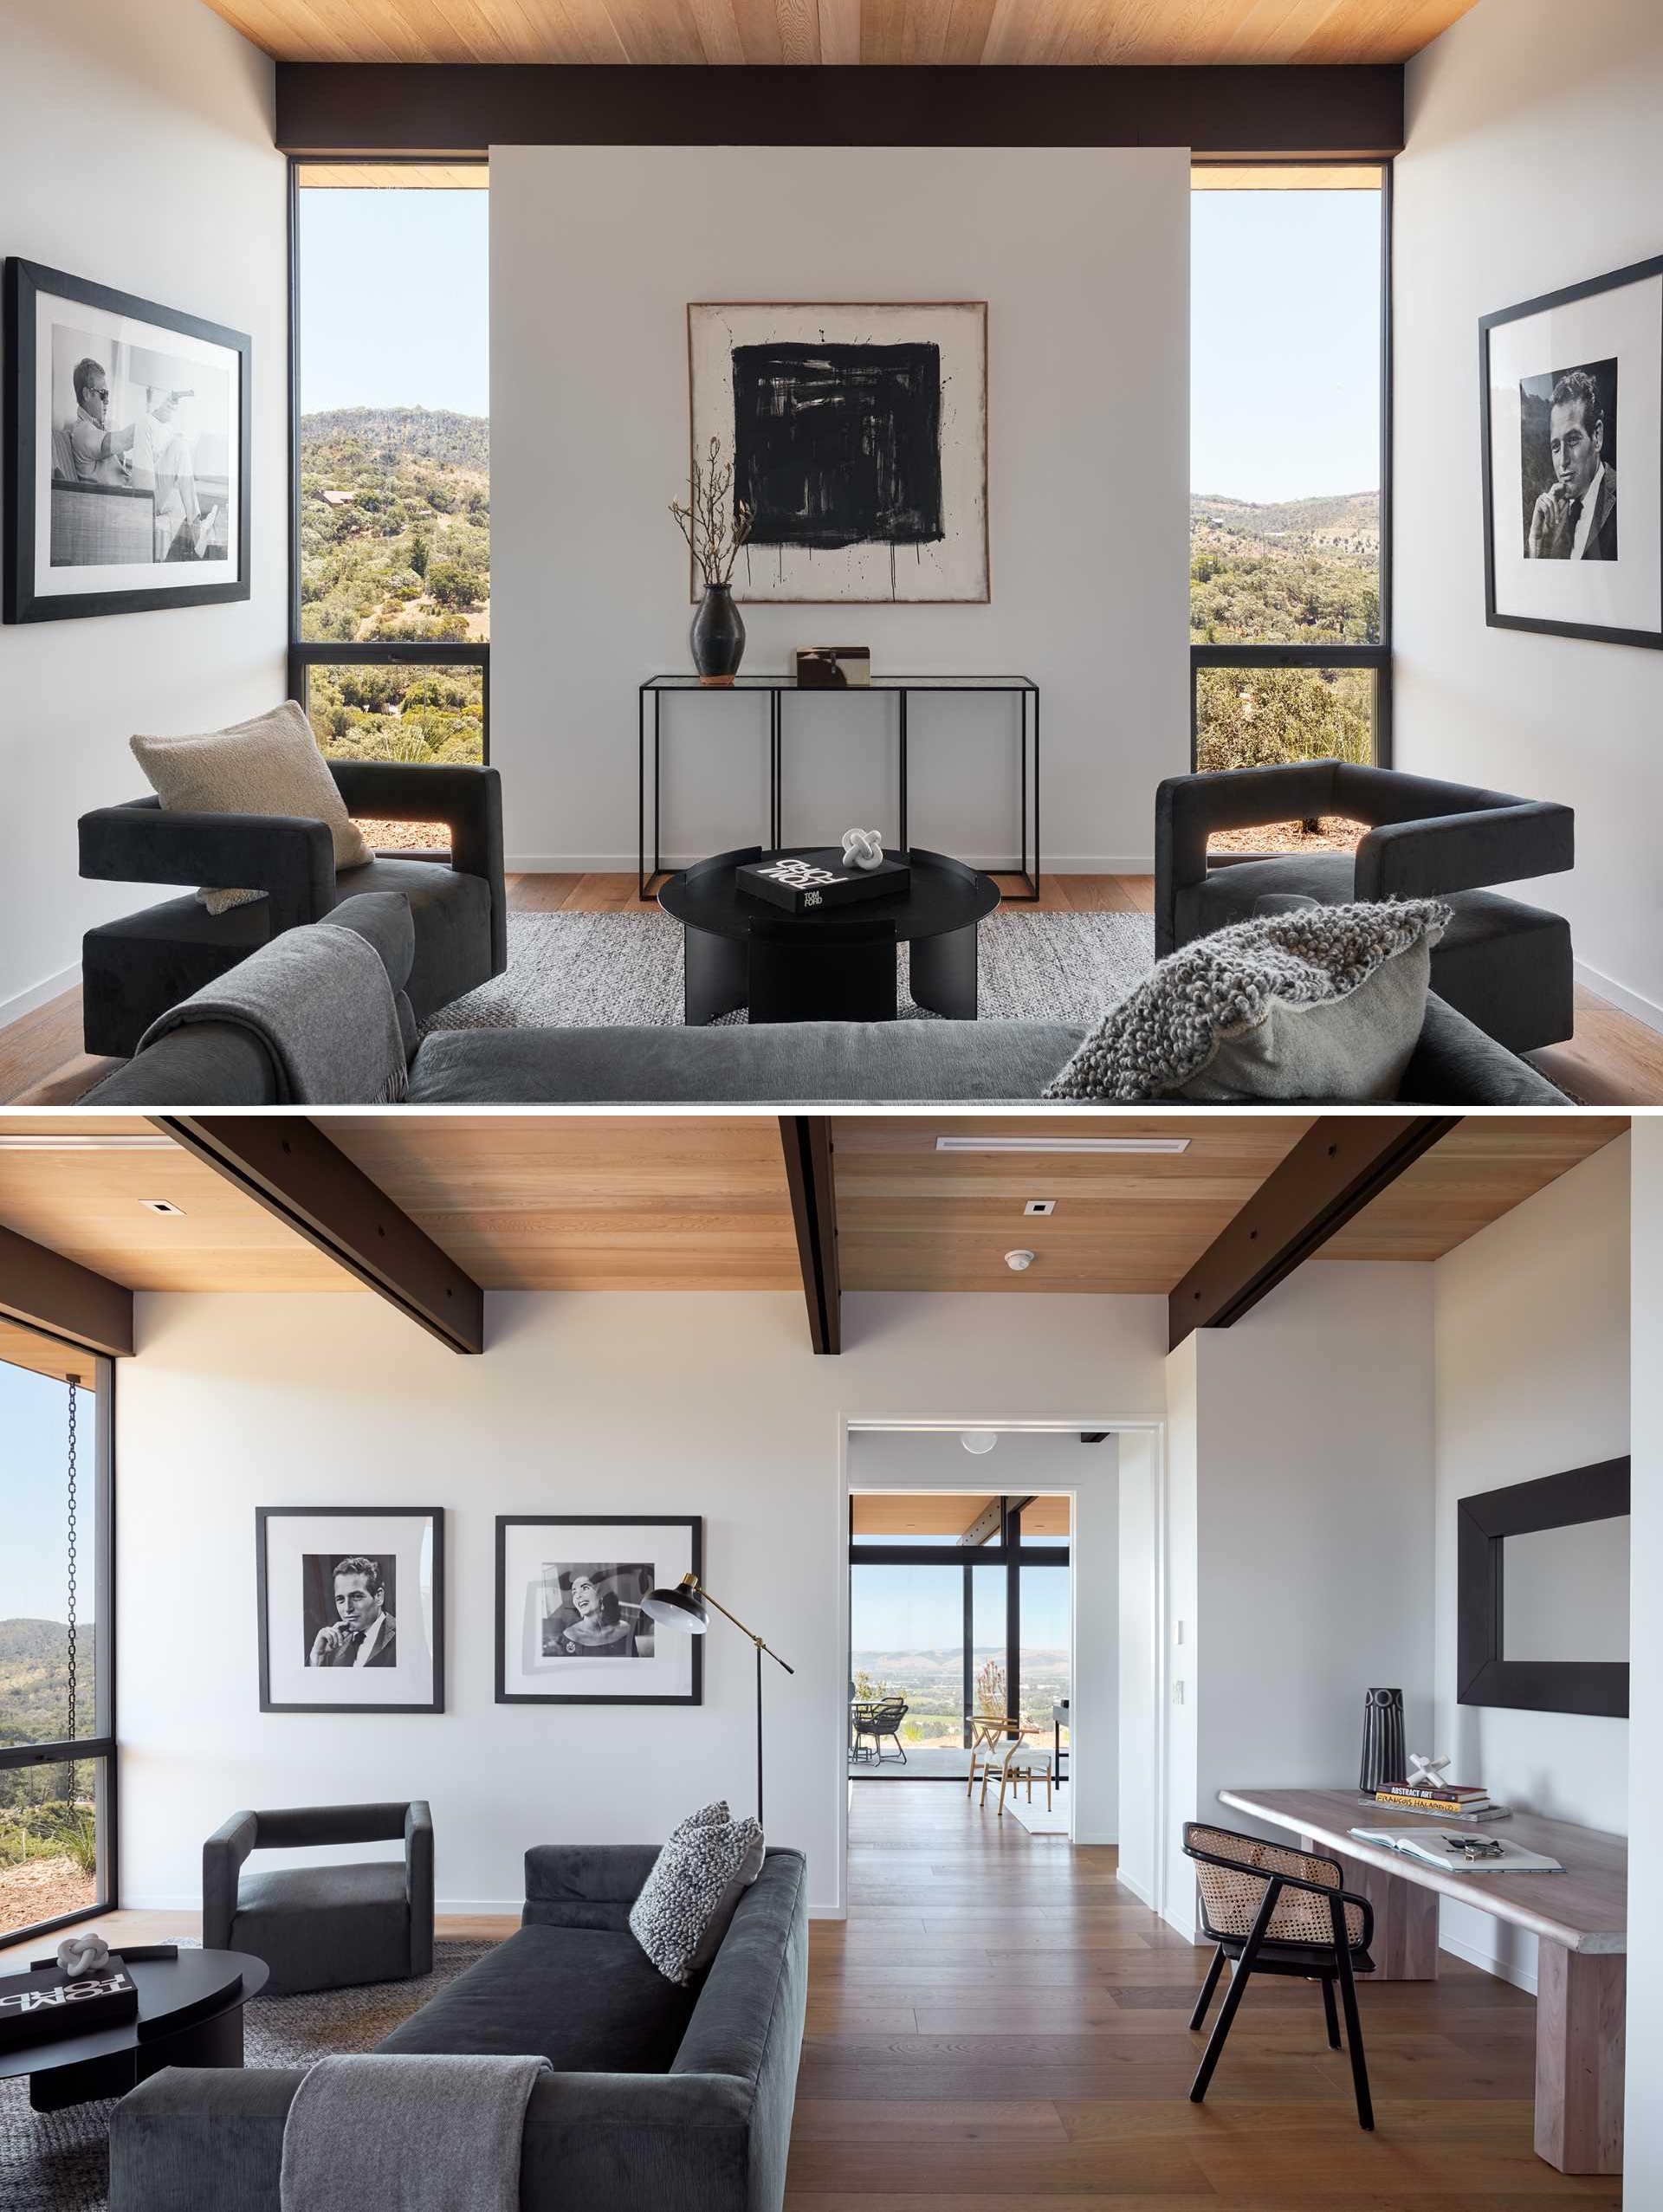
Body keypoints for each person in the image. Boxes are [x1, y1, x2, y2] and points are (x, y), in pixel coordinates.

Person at [68, 359, 219, 559]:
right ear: (87, 394)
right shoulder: (83, 432)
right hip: (124, 505)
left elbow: (126, 441)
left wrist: (156, 420)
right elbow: (125, 439)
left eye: (108, 395)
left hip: (132, 494)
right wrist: (154, 417)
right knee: (144, 423)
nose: (107, 401)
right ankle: (154, 515)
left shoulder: (97, 429)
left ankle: (196, 525)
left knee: (179, 447)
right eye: (103, 394)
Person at [1528, 368, 1618, 560]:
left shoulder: (1625, 496)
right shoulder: (1552, 518)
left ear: (1597, 437)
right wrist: (1537, 547)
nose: (1562, 461)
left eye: (1573, 440)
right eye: (1555, 447)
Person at [308, 1555, 398, 1667]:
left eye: (356, 1597)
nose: (347, 1608)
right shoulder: (333, 1646)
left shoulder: (403, 1637)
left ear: (378, 1597)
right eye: (340, 1599)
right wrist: (317, 1656)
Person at [545, 1569, 637, 1657]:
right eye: (574, 1592)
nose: (578, 1596)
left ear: (602, 1594)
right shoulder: (571, 1636)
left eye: (585, 1588)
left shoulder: (625, 1629)